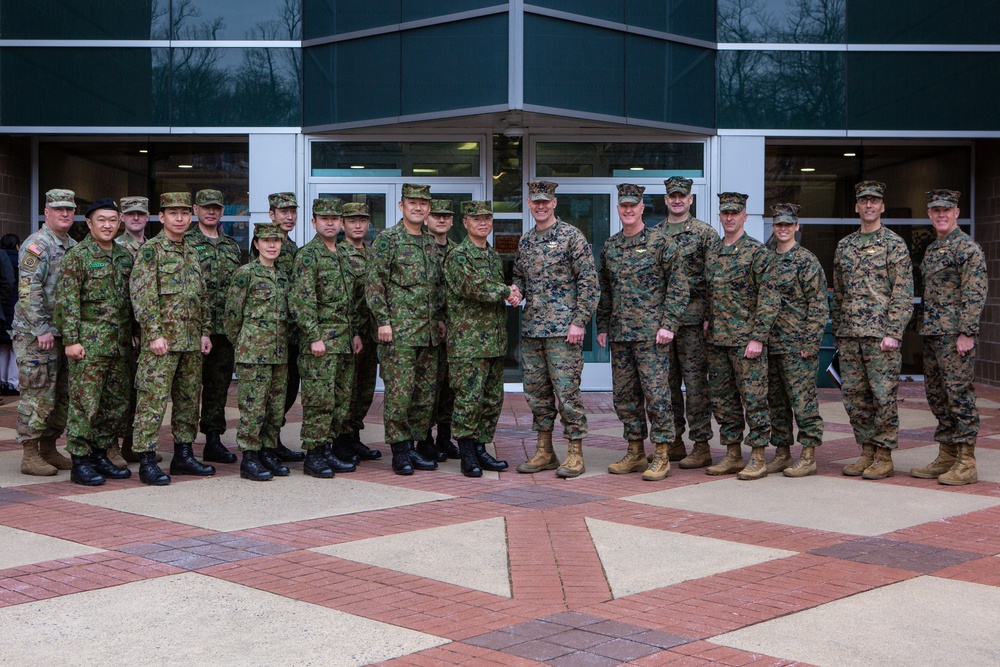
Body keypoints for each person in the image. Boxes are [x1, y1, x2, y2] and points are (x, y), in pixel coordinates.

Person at [597, 184, 689, 481]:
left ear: (641, 208)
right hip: (621, 334)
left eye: (632, 205)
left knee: (657, 396)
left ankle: (662, 453)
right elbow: (606, 291)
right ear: (618, 209)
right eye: (623, 206)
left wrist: (669, 324)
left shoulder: (660, 243)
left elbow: (679, 287)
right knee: (625, 397)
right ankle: (635, 451)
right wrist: (602, 326)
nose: (627, 210)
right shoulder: (611, 246)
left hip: (652, 335)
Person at [513, 180, 599, 479]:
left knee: (567, 393)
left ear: (554, 203)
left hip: (564, 331)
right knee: (537, 394)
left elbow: (589, 282)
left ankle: (575, 452)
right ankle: (545, 450)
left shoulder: (570, 236)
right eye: (535, 201)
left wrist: (579, 321)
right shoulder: (525, 241)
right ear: (528, 203)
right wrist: (516, 291)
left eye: (545, 202)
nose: (540, 206)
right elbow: (520, 277)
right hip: (533, 330)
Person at [129, 192, 216, 485]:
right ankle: (146, 459)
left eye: (183, 213)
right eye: (172, 213)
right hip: (162, 343)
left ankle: (183, 454)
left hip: (190, 342)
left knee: (189, 401)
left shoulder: (191, 250)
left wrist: (204, 330)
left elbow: (200, 295)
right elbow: (142, 295)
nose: (179, 218)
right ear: (161, 217)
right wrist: (153, 333)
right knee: (152, 401)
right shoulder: (151, 250)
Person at [833, 181, 914, 480]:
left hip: (881, 337)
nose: (868, 205)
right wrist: (840, 331)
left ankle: (884, 455)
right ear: (856, 206)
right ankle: (866, 450)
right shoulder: (845, 246)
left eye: (874, 201)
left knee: (883, 397)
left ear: (882, 206)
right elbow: (839, 294)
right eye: (863, 200)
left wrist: (893, 331)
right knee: (855, 397)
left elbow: (903, 294)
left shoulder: (894, 244)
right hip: (851, 335)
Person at [365, 183, 445, 476]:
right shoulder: (388, 240)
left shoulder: (429, 241)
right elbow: (374, 284)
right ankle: (399, 450)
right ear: (401, 206)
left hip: (427, 334)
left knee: (424, 395)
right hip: (398, 333)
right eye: (412, 202)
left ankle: (414, 445)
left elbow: (435, 286)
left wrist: (438, 319)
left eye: (424, 203)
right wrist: (382, 320)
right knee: (400, 394)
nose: (418, 207)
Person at [53, 198, 133, 485]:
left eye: (113, 219)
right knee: (85, 405)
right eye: (101, 219)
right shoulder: (78, 256)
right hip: (89, 345)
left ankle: (100, 454)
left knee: (114, 405)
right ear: (89, 223)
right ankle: (80, 460)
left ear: (119, 221)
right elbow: (67, 301)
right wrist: (71, 340)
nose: (108, 225)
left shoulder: (125, 256)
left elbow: (132, 300)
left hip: (120, 345)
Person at [910, 189, 986, 485]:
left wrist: (967, 332)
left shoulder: (967, 248)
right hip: (932, 333)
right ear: (930, 214)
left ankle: (966, 461)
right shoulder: (932, 249)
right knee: (938, 396)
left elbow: (975, 292)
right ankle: (947, 453)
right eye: (936, 210)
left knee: (959, 396)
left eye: (947, 209)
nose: (941, 214)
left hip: (955, 336)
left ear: (956, 212)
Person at [704, 192, 780, 480]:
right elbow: (710, 293)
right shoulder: (713, 252)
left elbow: (769, 298)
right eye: (725, 213)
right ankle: (733, 454)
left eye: (735, 213)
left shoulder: (757, 253)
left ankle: (758, 456)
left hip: (746, 341)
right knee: (723, 401)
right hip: (718, 340)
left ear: (745, 216)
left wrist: (758, 337)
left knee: (755, 399)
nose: (730, 218)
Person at [443, 201, 516, 477]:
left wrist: (510, 291)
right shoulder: (458, 256)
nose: (483, 223)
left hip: (494, 343)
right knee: (468, 399)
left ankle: (481, 448)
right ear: (465, 222)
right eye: (477, 219)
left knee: (491, 400)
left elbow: (497, 290)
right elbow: (473, 286)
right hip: (468, 344)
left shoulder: (493, 256)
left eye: (487, 218)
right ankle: (467, 454)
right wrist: (506, 291)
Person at [289, 198, 361, 478]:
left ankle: (328, 450)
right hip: (321, 343)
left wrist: (354, 334)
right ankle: (314, 455)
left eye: (334, 219)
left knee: (340, 400)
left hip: (343, 341)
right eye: (323, 218)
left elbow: (350, 302)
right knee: (319, 400)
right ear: (313, 222)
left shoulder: (343, 255)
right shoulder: (309, 255)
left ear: (341, 223)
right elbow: (300, 302)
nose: (330, 223)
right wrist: (313, 336)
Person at [14, 188, 77, 476]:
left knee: (62, 394)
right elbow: (28, 291)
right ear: (47, 212)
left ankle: (49, 447)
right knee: (37, 393)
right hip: (36, 336)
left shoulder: (73, 246)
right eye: (59, 209)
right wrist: (41, 327)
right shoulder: (37, 245)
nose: (65, 214)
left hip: (63, 334)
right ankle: (30, 454)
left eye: (70, 209)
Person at [659, 177, 719, 468]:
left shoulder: (704, 234)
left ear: (691, 199)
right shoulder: (654, 234)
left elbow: (715, 280)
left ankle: (701, 444)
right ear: (666, 200)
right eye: (673, 196)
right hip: (662, 325)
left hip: (694, 322)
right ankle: (674, 441)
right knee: (667, 385)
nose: (678, 200)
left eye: (682, 196)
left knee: (695, 386)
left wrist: (710, 316)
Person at [224, 223, 290, 482]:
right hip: (253, 354)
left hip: (279, 353)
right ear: (256, 244)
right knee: (253, 408)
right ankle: (249, 458)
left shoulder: (283, 276)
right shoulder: (246, 274)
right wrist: (244, 343)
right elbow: (231, 317)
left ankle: (267, 451)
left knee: (275, 408)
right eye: (266, 241)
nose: (272, 245)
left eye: (277, 241)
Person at [765, 203, 827, 477]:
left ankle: (809, 454)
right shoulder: (766, 257)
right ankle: (781, 452)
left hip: (797, 345)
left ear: (796, 227)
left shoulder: (806, 261)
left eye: (788, 224)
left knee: (803, 402)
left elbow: (817, 305)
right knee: (776, 402)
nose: (783, 229)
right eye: (779, 224)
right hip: (770, 344)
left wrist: (810, 343)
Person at [187, 189, 242, 465]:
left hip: (224, 330)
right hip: (192, 329)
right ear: (196, 209)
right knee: (186, 389)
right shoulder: (185, 242)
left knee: (218, 387)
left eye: (216, 207)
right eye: (206, 207)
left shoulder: (231, 246)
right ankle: (183, 444)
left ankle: (212, 439)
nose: (211, 211)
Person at [339, 202, 382, 461]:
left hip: (372, 331)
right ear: (343, 224)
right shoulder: (338, 253)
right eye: (352, 220)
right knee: (347, 389)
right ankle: (341, 440)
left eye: (362, 220)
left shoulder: (373, 252)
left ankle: (354, 436)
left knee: (365, 389)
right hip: (348, 333)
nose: (357, 225)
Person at [417, 198, 460, 462]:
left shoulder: (458, 251)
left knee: (449, 388)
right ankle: (425, 439)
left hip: (456, 331)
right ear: (426, 219)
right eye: (436, 215)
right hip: (426, 329)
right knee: (426, 388)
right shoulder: (420, 248)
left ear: (453, 221)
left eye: (446, 216)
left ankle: (445, 437)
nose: (441, 220)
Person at [114, 196, 155, 466]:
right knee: (119, 392)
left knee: (142, 391)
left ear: (148, 216)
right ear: (122, 218)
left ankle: (132, 444)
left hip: (151, 331)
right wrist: (129, 331)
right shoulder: (115, 248)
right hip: (125, 333)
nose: (136, 218)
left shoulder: (154, 248)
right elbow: (117, 296)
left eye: (140, 214)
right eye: (130, 215)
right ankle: (112, 447)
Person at [267, 191, 306, 463]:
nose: (289, 216)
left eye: (293, 211)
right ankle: (265, 444)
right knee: (272, 391)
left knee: (288, 389)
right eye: (283, 212)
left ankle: (274, 439)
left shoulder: (292, 247)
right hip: (272, 334)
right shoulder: (267, 244)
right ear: (272, 215)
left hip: (292, 333)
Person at [0, 233, 20, 396]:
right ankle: (12, 383)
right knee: (14, 347)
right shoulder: (21, 259)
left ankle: (2, 381)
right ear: (17, 245)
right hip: (14, 306)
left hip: (2, 308)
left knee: (2, 348)